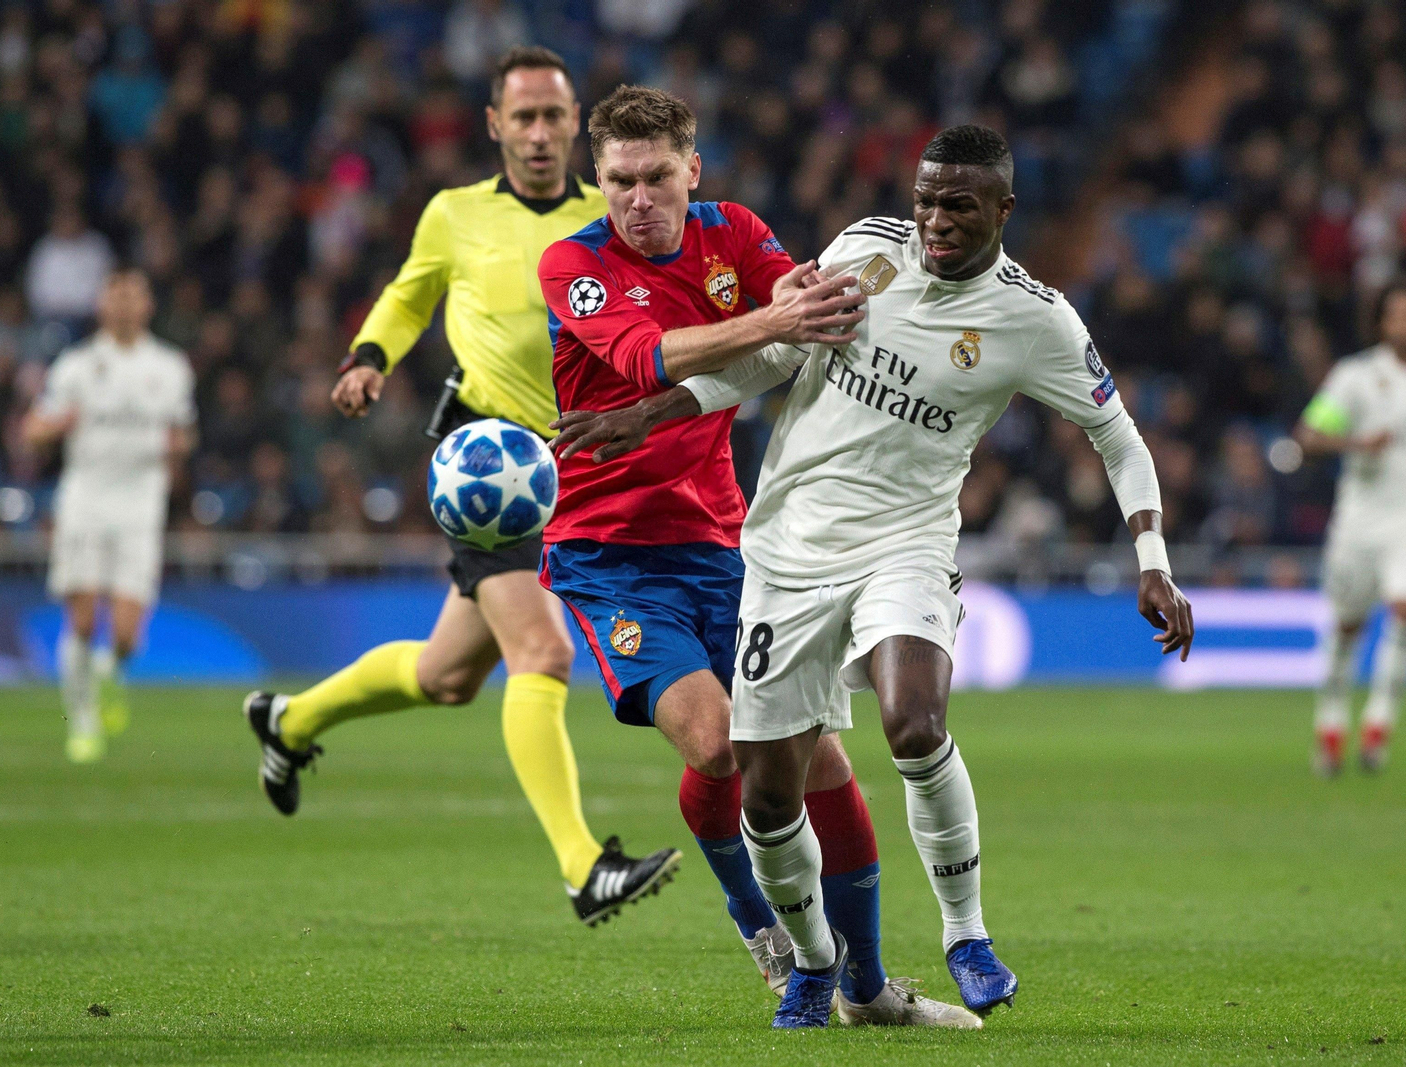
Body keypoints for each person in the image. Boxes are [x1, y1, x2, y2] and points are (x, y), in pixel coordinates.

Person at [550, 125, 1195, 1028]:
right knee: (768, 791)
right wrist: (650, 414)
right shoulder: (864, 249)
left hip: (908, 544)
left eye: (958, 204)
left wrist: (1153, 560)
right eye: (926, 198)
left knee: (913, 719)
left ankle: (966, 934)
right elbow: (774, 354)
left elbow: (1117, 437)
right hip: (786, 551)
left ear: (1003, 211)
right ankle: (816, 964)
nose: (934, 218)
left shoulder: (1035, 318)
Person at [537, 85, 977, 1028]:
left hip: (732, 544)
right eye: (619, 181)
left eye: (657, 177)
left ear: (691, 171)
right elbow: (654, 359)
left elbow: (794, 293)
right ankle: (768, 936)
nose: (638, 198)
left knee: (814, 754)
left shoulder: (732, 229)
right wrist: (778, 323)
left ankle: (866, 986)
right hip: (611, 554)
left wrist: (802, 300)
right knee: (717, 738)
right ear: (597, 180)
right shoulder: (573, 264)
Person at [242, 47, 680, 927]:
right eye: (524, 117)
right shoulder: (454, 214)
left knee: (446, 674)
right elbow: (410, 296)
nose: (542, 132)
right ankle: (581, 865)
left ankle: (286, 720)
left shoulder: (612, 213)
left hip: (586, 464)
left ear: (578, 127)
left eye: (556, 116)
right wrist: (369, 357)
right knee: (544, 654)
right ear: (495, 126)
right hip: (492, 470)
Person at [1295, 278, 1406, 775]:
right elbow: (1308, 435)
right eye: (1400, 315)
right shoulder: (1355, 377)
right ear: (1382, 322)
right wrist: (1354, 445)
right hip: (1362, 519)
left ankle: (1378, 723)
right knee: (1348, 625)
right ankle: (1331, 720)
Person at [21, 269, 196, 763]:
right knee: (79, 618)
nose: (123, 304)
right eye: (115, 295)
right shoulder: (76, 365)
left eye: (133, 295)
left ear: (147, 305)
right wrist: (54, 425)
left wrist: (177, 446)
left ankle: (107, 670)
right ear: (101, 305)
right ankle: (81, 722)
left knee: (125, 633)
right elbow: (33, 429)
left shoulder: (170, 367)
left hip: (141, 501)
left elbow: (184, 433)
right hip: (86, 498)